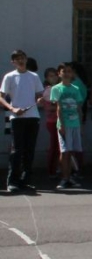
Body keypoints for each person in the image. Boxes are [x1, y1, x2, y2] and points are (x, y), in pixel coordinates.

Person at [0, 50, 44, 192]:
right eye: (17, 59)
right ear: (13, 62)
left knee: (29, 150)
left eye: (23, 58)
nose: (21, 61)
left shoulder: (34, 76)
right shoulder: (9, 76)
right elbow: (1, 96)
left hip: (33, 116)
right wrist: (12, 108)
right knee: (16, 150)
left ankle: (26, 180)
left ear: (26, 60)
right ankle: (12, 181)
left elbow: (39, 94)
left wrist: (40, 99)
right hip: (17, 118)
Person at [50, 63, 85, 190]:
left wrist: (81, 125)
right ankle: (64, 178)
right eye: (63, 71)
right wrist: (62, 125)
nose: (66, 73)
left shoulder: (75, 89)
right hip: (64, 125)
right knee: (64, 151)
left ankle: (70, 177)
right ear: (59, 73)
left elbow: (79, 108)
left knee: (72, 151)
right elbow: (58, 108)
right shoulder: (56, 89)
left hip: (75, 124)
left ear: (72, 73)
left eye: (69, 71)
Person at [42, 67, 61, 177]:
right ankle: (51, 170)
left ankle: (58, 167)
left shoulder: (58, 88)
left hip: (60, 120)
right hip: (52, 121)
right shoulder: (48, 90)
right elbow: (52, 106)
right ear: (47, 78)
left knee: (60, 146)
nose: (53, 78)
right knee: (54, 146)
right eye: (50, 76)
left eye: (54, 75)